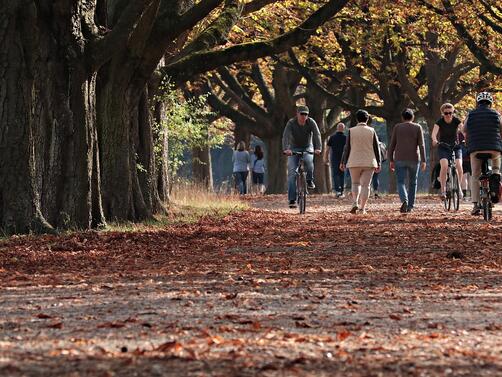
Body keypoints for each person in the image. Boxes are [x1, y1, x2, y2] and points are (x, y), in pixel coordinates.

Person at [462, 92, 502, 215]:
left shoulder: (471, 115)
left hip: (476, 149)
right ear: (490, 103)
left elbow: (464, 129)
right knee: (496, 161)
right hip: (494, 148)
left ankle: (475, 205)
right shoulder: (496, 114)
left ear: (477, 103)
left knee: (475, 175)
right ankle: (495, 176)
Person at [340, 110, 381, 214]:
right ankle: (362, 208)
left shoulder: (351, 131)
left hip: (354, 161)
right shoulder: (372, 131)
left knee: (355, 183)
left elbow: (347, 148)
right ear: (367, 119)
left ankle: (355, 203)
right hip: (369, 161)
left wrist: (343, 161)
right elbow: (377, 148)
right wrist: (379, 162)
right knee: (365, 185)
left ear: (357, 119)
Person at [282, 105, 322, 208]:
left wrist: (318, 148)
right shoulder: (291, 123)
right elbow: (285, 136)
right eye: (302, 114)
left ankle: (309, 180)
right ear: (297, 114)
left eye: (306, 114)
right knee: (292, 174)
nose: (304, 116)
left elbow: (317, 135)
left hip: (307, 147)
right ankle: (292, 200)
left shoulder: (311, 122)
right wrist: (286, 149)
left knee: (309, 162)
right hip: (294, 148)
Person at [388, 108, 427, 213]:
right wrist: (424, 160)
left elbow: (392, 145)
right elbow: (421, 145)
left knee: (400, 182)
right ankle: (410, 206)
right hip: (414, 158)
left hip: (399, 158)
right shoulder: (418, 127)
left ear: (402, 117)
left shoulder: (397, 127)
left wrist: (391, 160)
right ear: (413, 117)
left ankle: (404, 200)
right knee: (413, 183)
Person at [431, 103, 464, 200]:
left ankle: (459, 188)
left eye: (451, 113)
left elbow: (463, 130)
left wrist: (466, 138)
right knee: (444, 165)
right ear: (443, 113)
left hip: (455, 146)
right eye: (446, 113)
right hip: (443, 146)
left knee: (459, 165)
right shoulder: (439, 122)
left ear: (453, 112)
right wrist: (435, 140)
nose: (449, 115)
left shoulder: (456, 120)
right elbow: (434, 134)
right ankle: (443, 190)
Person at [324, 123, 347, 197]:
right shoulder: (346, 138)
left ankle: (337, 191)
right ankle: (342, 191)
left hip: (334, 158)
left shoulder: (332, 137)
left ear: (337, 128)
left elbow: (327, 149)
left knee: (335, 174)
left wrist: (326, 158)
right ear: (343, 129)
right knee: (342, 174)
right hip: (343, 159)